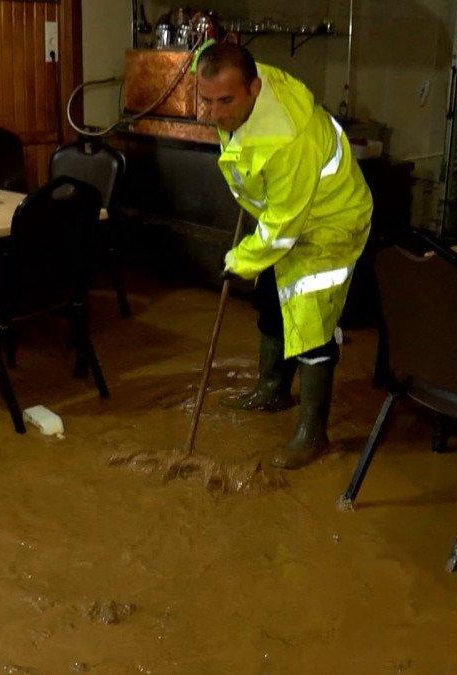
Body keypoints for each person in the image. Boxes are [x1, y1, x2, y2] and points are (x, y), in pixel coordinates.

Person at [195, 43, 373, 469]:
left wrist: (239, 261)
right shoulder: (240, 80)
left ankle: (313, 435)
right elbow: (209, 52)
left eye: (226, 101)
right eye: (207, 101)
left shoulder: (288, 139)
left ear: (255, 88)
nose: (215, 113)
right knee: (272, 298)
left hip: (329, 222)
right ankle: (273, 389)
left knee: (311, 321)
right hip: (284, 210)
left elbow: (283, 228)